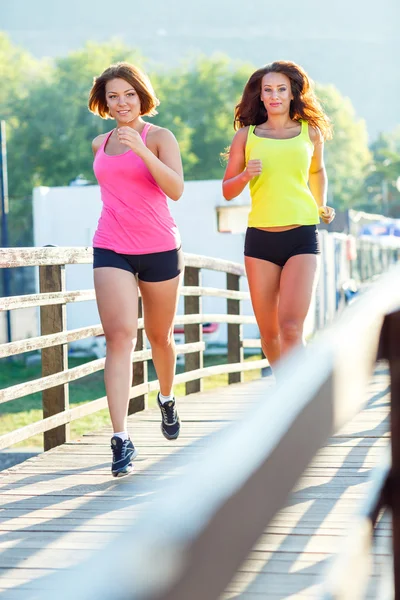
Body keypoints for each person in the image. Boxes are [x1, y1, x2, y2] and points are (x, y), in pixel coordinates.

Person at [88, 62, 184, 477]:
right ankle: (121, 438)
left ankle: (165, 397)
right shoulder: (99, 143)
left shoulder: (160, 137)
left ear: (141, 96)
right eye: (113, 95)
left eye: (128, 94)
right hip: (111, 246)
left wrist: (142, 149)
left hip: (160, 248)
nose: (121, 102)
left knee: (159, 337)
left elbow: (176, 190)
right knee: (120, 337)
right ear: (104, 102)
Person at [222, 60, 335, 369]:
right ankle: (283, 392)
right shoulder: (246, 136)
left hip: (301, 236)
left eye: (281, 89)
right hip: (260, 242)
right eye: (268, 90)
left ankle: (297, 403)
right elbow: (228, 190)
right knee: (270, 335)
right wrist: (245, 175)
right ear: (260, 96)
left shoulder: (310, 133)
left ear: (292, 94)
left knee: (291, 328)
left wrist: (321, 203)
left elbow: (317, 170)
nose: (274, 96)